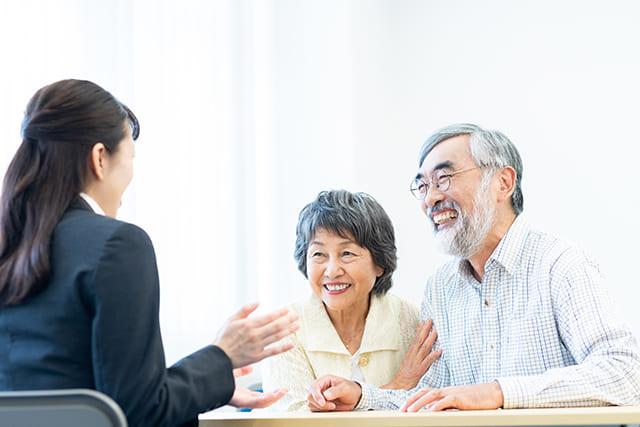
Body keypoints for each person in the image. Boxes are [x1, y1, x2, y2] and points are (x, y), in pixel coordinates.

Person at [0, 79, 299, 427]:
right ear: (99, 158)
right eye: (131, 157)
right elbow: (143, 413)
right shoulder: (117, 245)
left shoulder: (12, 246)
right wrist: (223, 356)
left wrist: (211, 379)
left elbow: (95, 392)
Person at [307, 123, 640, 412]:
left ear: (502, 183)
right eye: (423, 186)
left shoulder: (560, 263)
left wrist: (497, 392)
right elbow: (431, 399)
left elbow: (625, 372)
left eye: (444, 178)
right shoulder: (441, 287)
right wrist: (362, 396)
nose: (430, 199)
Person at [261, 190, 441, 411]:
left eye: (347, 253)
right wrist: (398, 385)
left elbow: (429, 408)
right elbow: (292, 421)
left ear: (379, 263)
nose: (332, 271)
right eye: (318, 254)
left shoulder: (412, 320)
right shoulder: (283, 331)